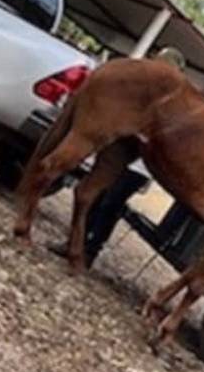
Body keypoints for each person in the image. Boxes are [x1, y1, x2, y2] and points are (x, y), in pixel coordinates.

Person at [51, 47, 187, 268]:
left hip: (140, 165)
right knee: (95, 196)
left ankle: (91, 250)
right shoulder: (146, 87)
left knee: (110, 203)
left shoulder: (174, 99)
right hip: (121, 152)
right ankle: (75, 243)